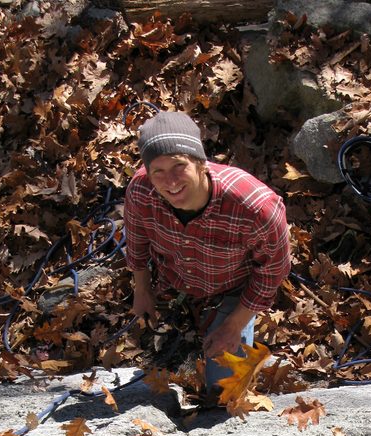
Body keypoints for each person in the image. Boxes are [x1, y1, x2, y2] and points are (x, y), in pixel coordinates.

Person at [123, 110, 292, 402]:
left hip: (234, 288)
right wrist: (143, 289)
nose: (170, 181)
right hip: (175, 277)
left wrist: (234, 325)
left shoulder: (255, 208)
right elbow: (137, 242)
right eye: (158, 171)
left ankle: (231, 325)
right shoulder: (141, 191)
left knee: (223, 393)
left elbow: (272, 272)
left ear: (201, 164)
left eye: (179, 166)